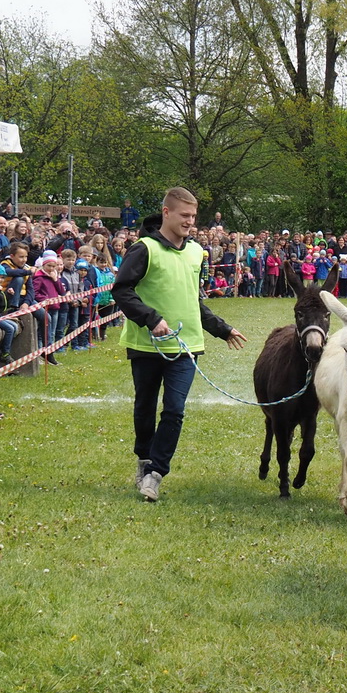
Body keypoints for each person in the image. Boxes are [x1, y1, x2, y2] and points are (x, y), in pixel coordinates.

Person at [112, 187, 247, 503]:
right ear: (167, 212)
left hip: (186, 347)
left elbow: (192, 301)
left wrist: (221, 329)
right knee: (145, 407)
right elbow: (122, 290)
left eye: (194, 216)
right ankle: (144, 458)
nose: (191, 221)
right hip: (145, 345)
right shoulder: (143, 249)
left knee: (174, 410)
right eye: (185, 215)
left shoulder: (195, 253)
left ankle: (156, 473)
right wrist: (150, 318)